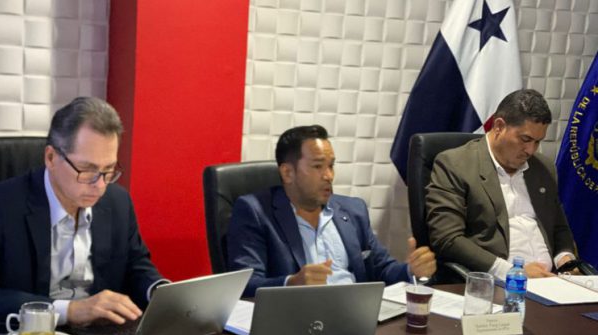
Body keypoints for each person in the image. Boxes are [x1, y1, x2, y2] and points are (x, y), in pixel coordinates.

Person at [0, 97, 167, 330]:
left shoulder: (118, 202)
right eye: (87, 170)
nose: (100, 185)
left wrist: (158, 291)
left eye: (108, 170)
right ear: (51, 158)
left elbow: (135, 264)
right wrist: (69, 311)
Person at [227, 125, 436, 296]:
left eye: (331, 166)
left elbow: (382, 269)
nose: (329, 176)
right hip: (300, 319)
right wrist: (291, 283)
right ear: (288, 173)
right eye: (318, 166)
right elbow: (245, 285)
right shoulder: (255, 212)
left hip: (356, 315)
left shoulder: (353, 210)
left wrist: (411, 270)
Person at [425, 89, 576, 280]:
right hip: (498, 282)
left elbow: (558, 227)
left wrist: (566, 259)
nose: (530, 150)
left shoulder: (543, 168)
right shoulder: (455, 164)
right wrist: (513, 272)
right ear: (499, 126)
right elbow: (447, 239)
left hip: (551, 280)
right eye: (525, 139)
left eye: (537, 142)